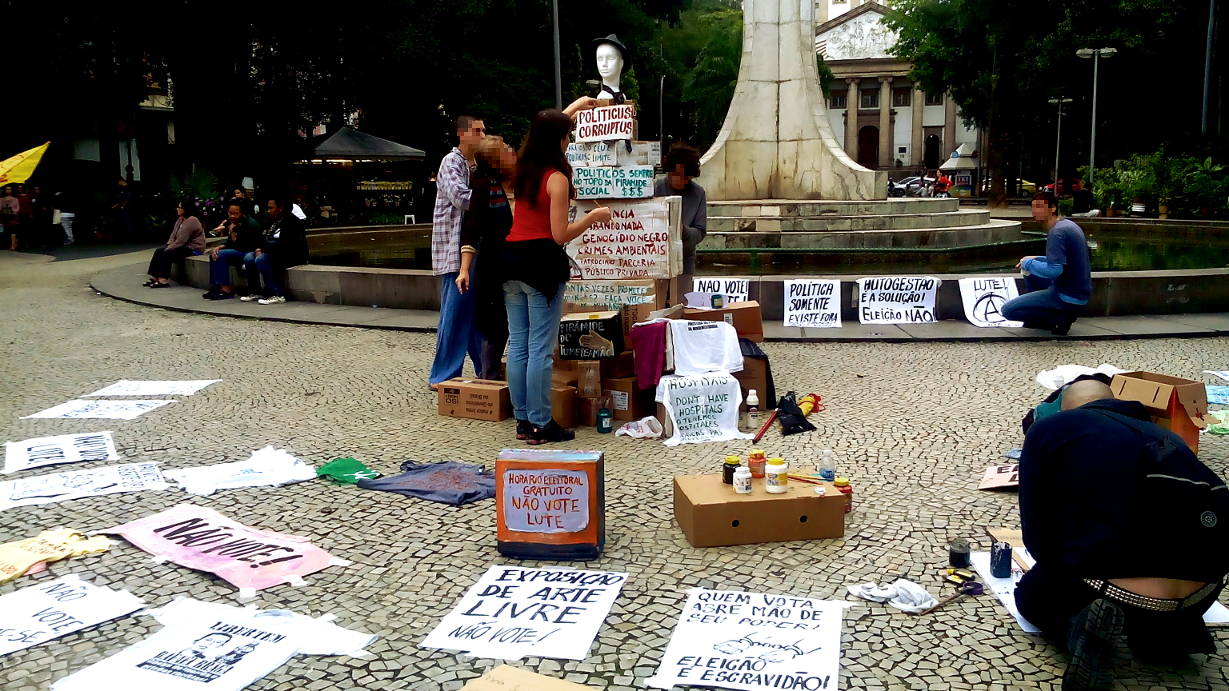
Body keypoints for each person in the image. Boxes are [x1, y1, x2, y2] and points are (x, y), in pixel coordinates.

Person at [1016, 379, 1229, 690]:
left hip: (1109, 586)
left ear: (1064, 408)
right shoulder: (1169, 437)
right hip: (1202, 589)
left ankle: (1080, 630)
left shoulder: (1052, 428)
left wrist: (1059, 568)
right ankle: (1171, 634)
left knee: (1033, 596)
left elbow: (1038, 536)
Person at [503, 102, 610, 444]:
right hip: (541, 265)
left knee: (519, 345)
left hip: (511, 261)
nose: (569, 141)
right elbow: (559, 234)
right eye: (567, 136)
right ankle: (541, 422)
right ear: (559, 141)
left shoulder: (523, 169)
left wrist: (576, 106)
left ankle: (523, 420)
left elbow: (546, 125)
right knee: (540, 348)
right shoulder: (557, 178)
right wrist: (594, 217)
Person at [428, 114, 487, 388]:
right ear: (463, 134)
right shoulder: (451, 162)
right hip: (454, 251)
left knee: (474, 314)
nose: (483, 136)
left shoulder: (477, 164)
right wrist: (495, 199)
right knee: (455, 314)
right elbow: (461, 198)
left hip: (471, 247)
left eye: (484, 131)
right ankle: (443, 375)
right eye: (478, 131)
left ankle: (485, 370)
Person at [457, 136, 517, 380]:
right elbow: (471, 229)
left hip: (520, 262)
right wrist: (464, 270)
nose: (511, 150)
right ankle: (490, 379)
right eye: (505, 148)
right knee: (496, 326)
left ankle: (512, 378)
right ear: (495, 160)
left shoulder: (523, 180)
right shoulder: (484, 186)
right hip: (494, 265)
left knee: (518, 326)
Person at [1001, 191, 1092, 335]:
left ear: (1053, 208)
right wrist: (1036, 258)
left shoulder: (1057, 233)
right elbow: (1064, 261)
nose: (1035, 211)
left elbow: (1054, 270)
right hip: (1080, 293)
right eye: (1033, 207)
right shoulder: (1068, 225)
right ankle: (1048, 318)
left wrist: (1028, 263)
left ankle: (1058, 317)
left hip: (1065, 295)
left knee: (1007, 310)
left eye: (1039, 207)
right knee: (1031, 268)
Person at [654, 144, 707, 294]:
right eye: (677, 174)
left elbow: (701, 231)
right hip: (656, 259)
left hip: (685, 261)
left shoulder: (698, 193)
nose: (681, 180)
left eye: (686, 177)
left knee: (682, 301)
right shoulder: (656, 188)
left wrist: (683, 231)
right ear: (669, 171)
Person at [237, 196, 307, 305]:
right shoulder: (270, 220)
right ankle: (255, 291)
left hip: (289, 254)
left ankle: (277, 294)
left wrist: (263, 249)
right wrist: (259, 248)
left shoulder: (292, 222)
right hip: (271, 251)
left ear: (281, 208)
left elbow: (286, 245)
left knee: (261, 259)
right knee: (249, 258)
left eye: (271, 208)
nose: (268, 211)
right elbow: (262, 237)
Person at [202, 201, 263, 300]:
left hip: (249, 252)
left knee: (221, 255)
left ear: (242, 213)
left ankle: (226, 290)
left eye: (236, 213)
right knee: (214, 254)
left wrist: (232, 233)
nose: (232, 216)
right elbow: (230, 244)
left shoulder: (250, 225)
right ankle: (217, 286)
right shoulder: (233, 223)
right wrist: (220, 246)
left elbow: (242, 246)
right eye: (230, 213)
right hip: (239, 251)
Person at [145, 200, 205, 287]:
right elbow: (173, 235)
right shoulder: (180, 219)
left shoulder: (192, 220)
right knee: (159, 250)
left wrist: (169, 247)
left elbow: (182, 240)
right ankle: (154, 277)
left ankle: (163, 280)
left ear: (185, 209)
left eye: (179, 207)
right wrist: (168, 244)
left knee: (168, 252)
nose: (177, 209)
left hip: (193, 248)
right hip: (183, 246)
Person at [0, 185, 19, 250]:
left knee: (13, 231)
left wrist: (12, 210)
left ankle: (13, 246)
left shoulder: (15, 199)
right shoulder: (2, 199)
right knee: (4, 231)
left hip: (12, 217)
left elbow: (17, 208)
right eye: (7, 189)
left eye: (9, 189)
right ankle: (5, 245)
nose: (8, 190)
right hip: (4, 216)